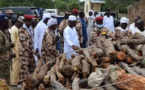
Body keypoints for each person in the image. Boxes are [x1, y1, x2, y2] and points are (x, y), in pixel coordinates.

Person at [19, 15, 36, 84]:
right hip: (24, 53)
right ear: (24, 21)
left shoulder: (31, 29)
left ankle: (30, 83)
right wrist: (33, 50)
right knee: (24, 69)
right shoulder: (22, 30)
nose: (28, 23)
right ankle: (23, 84)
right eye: (27, 21)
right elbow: (24, 43)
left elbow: (33, 40)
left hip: (31, 52)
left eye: (29, 21)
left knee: (32, 67)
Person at [10, 16, 24, 86]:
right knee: (14, 67)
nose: (21, 25)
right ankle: (13, 82)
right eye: (21, 24)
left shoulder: (17, 29)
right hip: (14, 51)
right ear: (18, 22)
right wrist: (14, 52)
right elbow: (12, 42)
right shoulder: (13, 29)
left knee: (17, 66)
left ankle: (17, 80)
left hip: (18, 50)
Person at [0, 14, 14, 83]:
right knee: (3, 83)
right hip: (2, 64)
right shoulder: (0, 33)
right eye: (6, 22)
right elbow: (1, 49)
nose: (8, 23)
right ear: (2, 22)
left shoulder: (4, 32)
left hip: (5, 62)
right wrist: (9, 44)